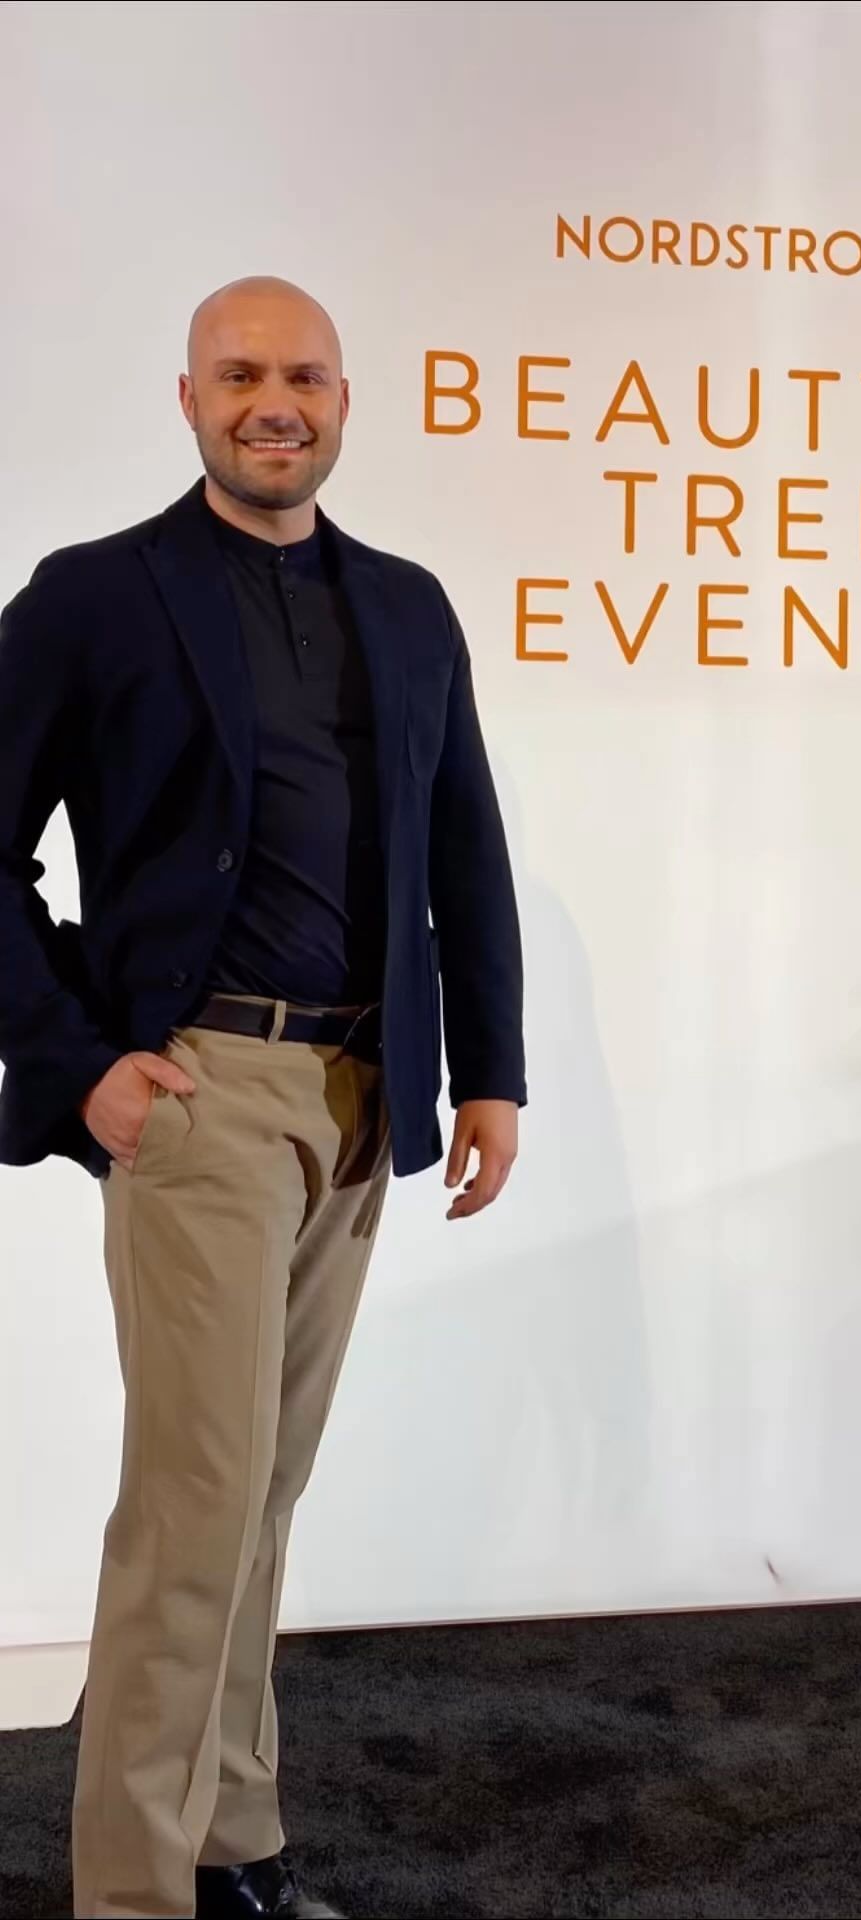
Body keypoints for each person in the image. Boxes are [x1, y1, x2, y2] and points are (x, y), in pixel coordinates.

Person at [0, 275, 526, 1920]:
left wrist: (491, 1073)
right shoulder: (94, 598)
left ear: (345, 401)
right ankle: (135, 1894)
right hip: (202, 1091)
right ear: (190, 400)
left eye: (301, 375)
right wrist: (82, 1065)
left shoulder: (409, 606)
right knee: (196, 1508)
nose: (272, 402)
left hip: (364, 1094)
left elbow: (464, 845)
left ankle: (232, 1848)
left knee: (264, 1498)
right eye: (239, 376)